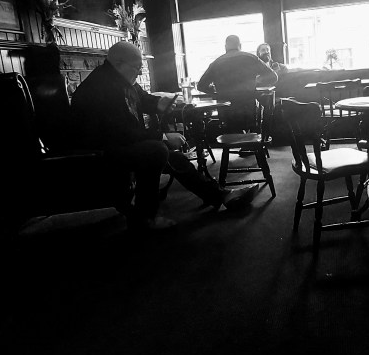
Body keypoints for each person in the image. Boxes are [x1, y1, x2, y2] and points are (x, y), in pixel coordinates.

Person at [70, 41, 257, 231]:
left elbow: (142, 98)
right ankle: (145, 219)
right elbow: (122, 132)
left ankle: (220, 195)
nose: (139, 73)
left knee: (173, 157)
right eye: (137, 67)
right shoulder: (101, 88)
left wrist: (159, 102)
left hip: (118, 143)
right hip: (100, 152)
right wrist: (164, 137)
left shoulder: (119, 78)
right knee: (156, 150)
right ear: (119, 64)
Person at [196, 35, 278, 132]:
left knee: (228, 130)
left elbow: (201, 86)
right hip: (248, 110)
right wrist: (256, 82)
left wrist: (215, 90)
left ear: (225, 47)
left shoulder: (216, 63)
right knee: (252, 129)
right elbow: (273, 77)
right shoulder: (251, 58)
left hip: (226, 113)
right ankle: (254, 139)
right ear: (240, 45)